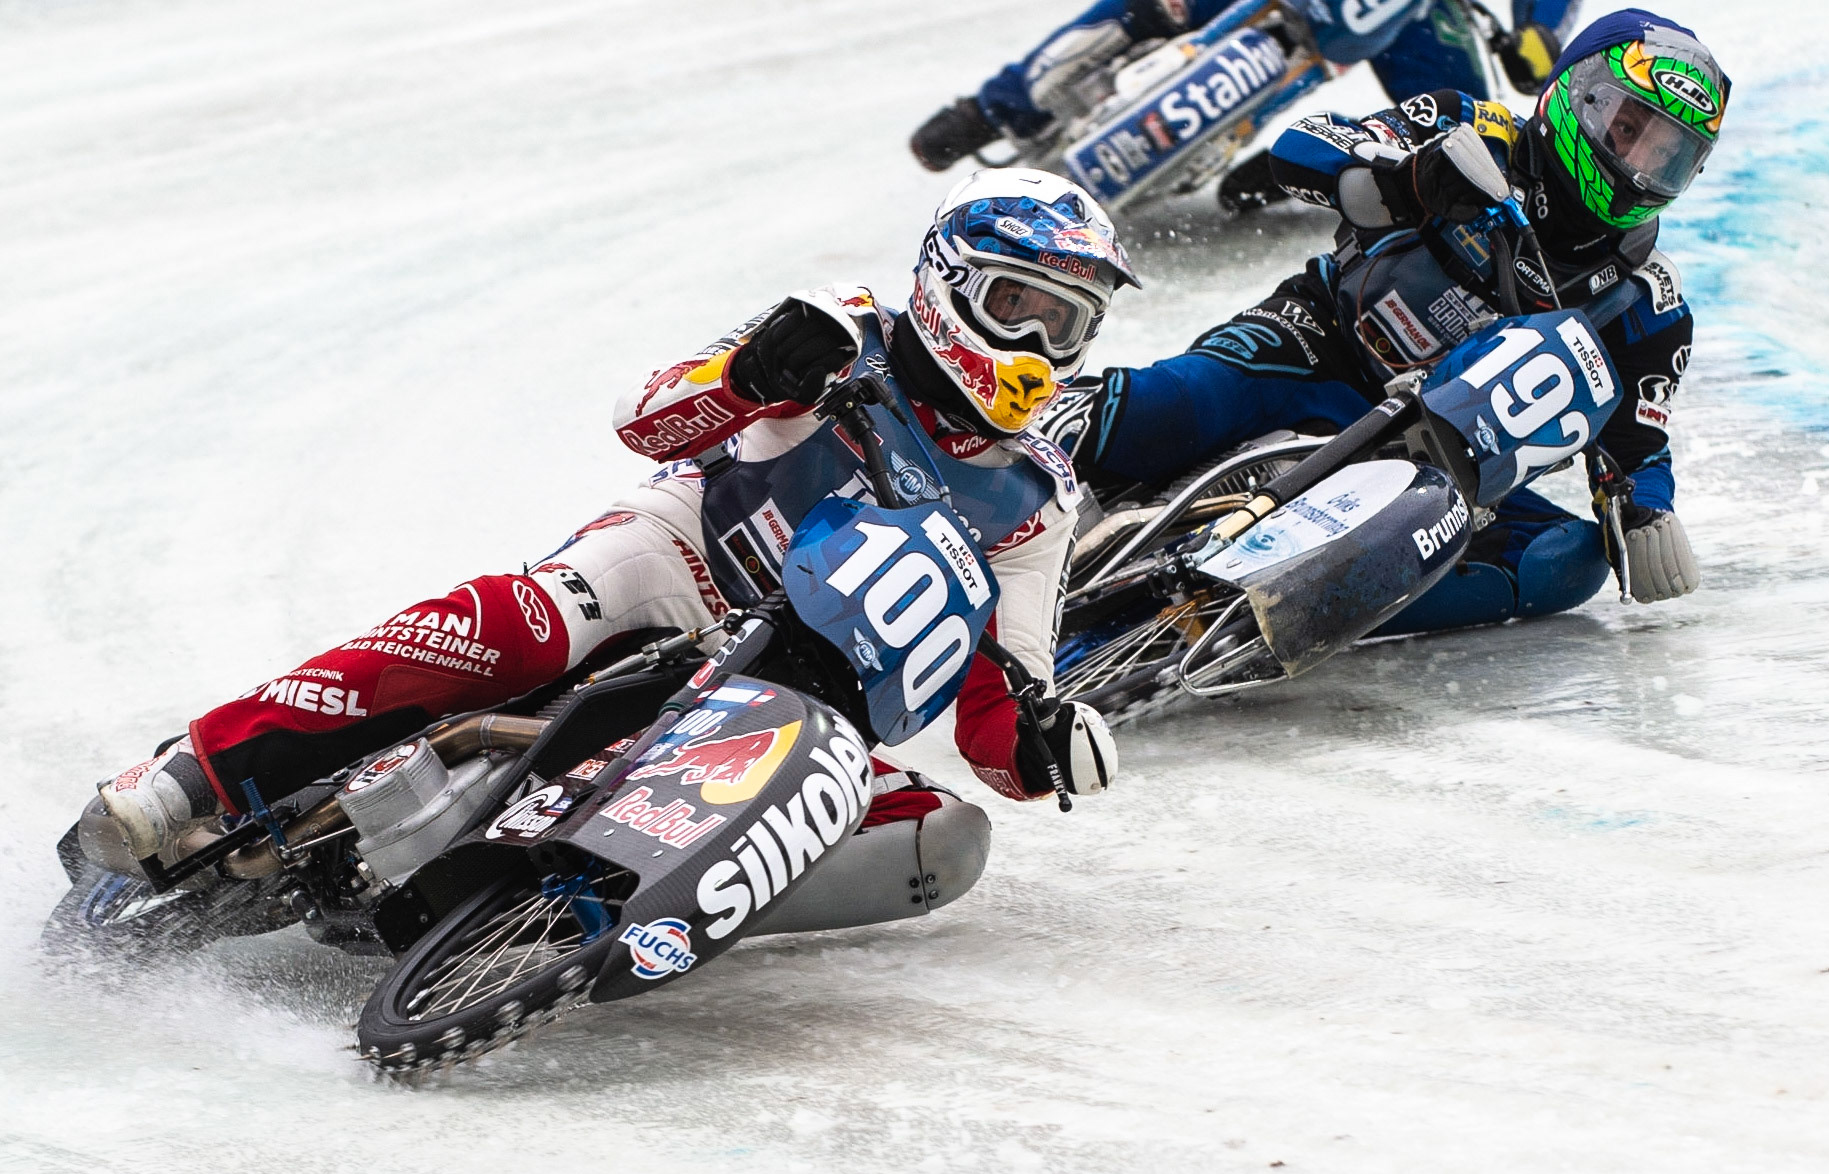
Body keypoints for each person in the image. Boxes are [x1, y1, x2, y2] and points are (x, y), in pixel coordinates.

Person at [77, 168, 1134, 934]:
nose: (1036, 346)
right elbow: (643, 417)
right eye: (1016, 306)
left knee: (932, 837)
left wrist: (1043, 741)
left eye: (1065, 324)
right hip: (682, 567)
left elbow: (1002, 699)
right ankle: (188, 775)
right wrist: (752, 374)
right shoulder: (840, 330)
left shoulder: (1035, 494)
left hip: (799, 692)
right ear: (948, 279)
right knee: (518, 620)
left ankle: (599, 919)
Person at [1051, 8, 1723, 626]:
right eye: (1628, 128)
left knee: (1565, 559)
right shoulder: (1467, 128)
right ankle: (1021, 449)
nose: (1637, 164)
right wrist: (1405, 179)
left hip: (1438, 472)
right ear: (1574, 95)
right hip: (1316, 344)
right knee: (1175, 404)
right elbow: (1302, 147)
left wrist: (1642, 507)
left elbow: (1635, 447)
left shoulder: (1646, 306)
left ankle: (1292, 609)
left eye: (1665, 154)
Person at [911, 0, 1580, 215]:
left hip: (1403, 10)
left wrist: (1540, 27)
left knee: (1464, 124)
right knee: (1151, 8)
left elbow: (1538, 36)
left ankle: (1325, 153)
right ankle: (998, 106)